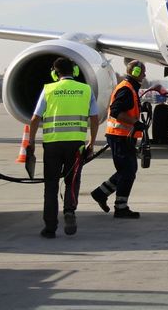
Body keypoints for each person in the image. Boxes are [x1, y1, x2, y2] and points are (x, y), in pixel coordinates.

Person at [28, 57, 99, 238]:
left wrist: (31, 143)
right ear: (75, 71)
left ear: (55, 73)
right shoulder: (85, 90)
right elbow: (94, 118)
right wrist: (92, 141)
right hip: (76, 145)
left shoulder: (48, 89)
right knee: (72, 181)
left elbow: (35, 118)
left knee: (50, 186)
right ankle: (69, 211)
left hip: (52, 145)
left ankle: (50, 227)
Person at [91, 60, 146, 219]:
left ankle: (101, 193)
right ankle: (120, 207)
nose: (145, 74)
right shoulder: (126, 89)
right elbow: (116, 111)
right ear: (135, 72)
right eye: (143, 71)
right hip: (119, 137)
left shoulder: (130, 88)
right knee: (127, 172)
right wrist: (135, 123)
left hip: (123, 137)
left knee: (127, 170)